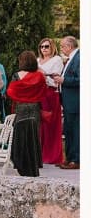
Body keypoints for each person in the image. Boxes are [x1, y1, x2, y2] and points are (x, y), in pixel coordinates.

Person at [5, 50, 45, 177]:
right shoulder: (39, 76)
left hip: (20, 107)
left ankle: (20, 161)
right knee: (34, 134)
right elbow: (43, 91)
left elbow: (10, 92)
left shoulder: (17, 75)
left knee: (20, 134)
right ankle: (34, 162)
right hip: (34, 107)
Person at [36, 37, 65, 166]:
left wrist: (43, 75)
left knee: (51, 125)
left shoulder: (57, 59)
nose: (44, 49)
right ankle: (39, 154)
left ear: (52, 47)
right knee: (40, 125)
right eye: (42, 47)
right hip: (38, 94)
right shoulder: (37, 60)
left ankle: (51, 155)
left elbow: (55, 78)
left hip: (51, 93)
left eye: (46, 46)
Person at [59, 36, 79, 169]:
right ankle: (69, 158)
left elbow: (80, 79)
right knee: (69, 130)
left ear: (69, 46)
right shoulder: (72, 58)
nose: (61, 48)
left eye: (62, 46)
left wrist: (63, 80)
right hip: (68, 101)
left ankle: (76, 160)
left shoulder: (79, 58)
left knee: (76, 131)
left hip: (75, 102)